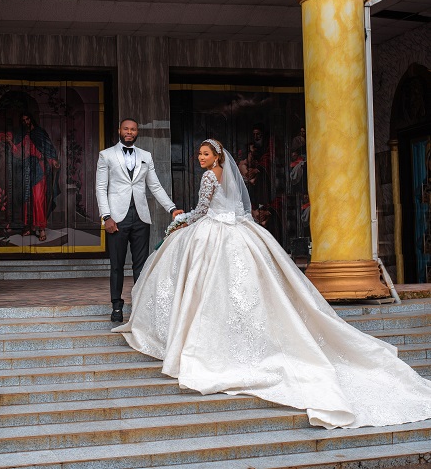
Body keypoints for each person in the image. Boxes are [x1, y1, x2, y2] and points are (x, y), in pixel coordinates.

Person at [113, 138, 431, 429]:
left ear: (216, 156)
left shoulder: (210, 177)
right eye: (198, 154)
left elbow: (202, 211)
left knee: (202, 278)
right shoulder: (227, 175)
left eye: (204, 154)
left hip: (215, 232)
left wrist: (180, 223)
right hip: (238, 231)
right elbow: (239, 210)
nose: (199, 158)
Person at [96, 118, 183, 322]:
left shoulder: (146, 156)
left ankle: (140, 306)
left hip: (141, 217)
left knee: (141, 265)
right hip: (116, 218)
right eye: (126, 129)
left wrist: (171, 208)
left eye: (133, 129)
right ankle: (117, 306)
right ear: (119, 130)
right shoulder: (106, 155)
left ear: (137, 132)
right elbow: (101, 188)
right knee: (117, 264)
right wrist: (106, 217)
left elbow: (155, 186)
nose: (129, 132)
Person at [0, 112, 60, 242]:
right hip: (28, 170)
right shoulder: (26, 137)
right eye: (23, 120)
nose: (26, 122)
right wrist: (11, 143)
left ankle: (42, 228)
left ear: (31, 119)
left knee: (39, 199)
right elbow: (20, 153)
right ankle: (31, 226)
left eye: (27, 119)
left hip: (40, 169)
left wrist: (53, 161)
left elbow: (47, 150)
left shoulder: (40, 133)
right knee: (28, 200)